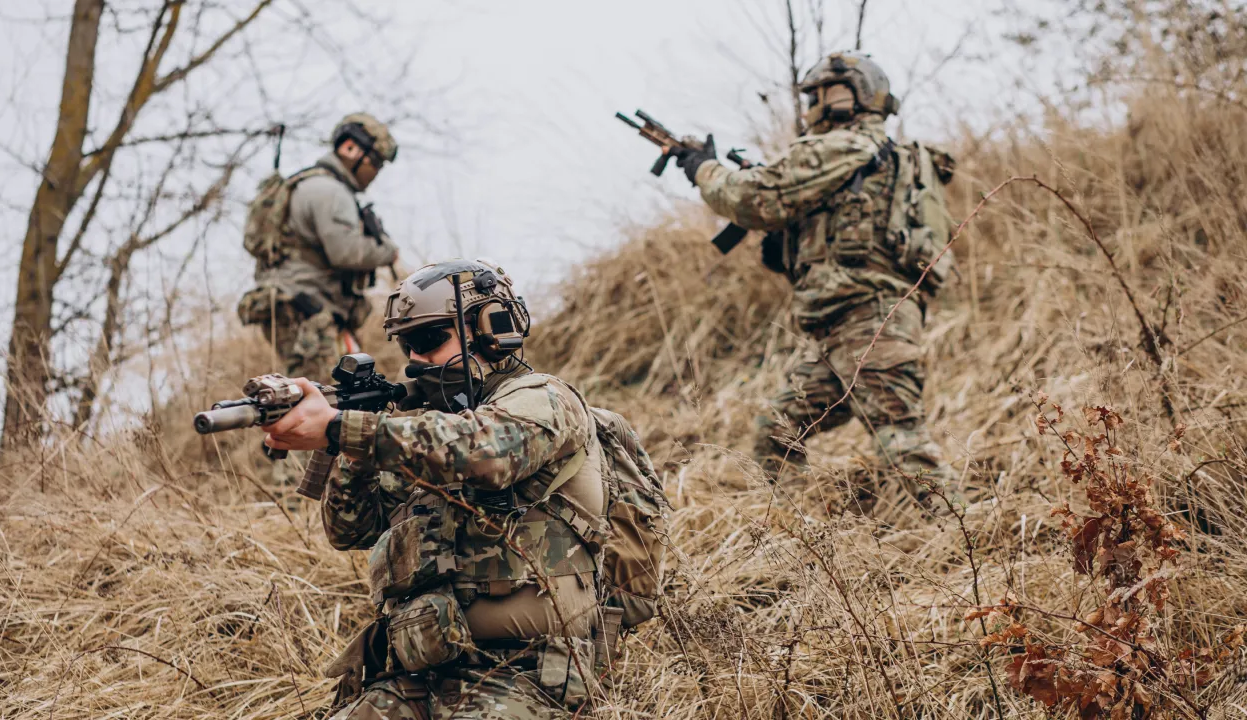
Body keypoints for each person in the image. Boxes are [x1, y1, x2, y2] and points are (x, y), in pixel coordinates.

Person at [262, 259, 610, 719]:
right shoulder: (419, 433)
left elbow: (487, 451)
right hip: (421, 671)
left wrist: (345, 429)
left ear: (491, 328)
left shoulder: (544, 398)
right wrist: (351, 449)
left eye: (428, 340)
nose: (415, 361)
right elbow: (350, 529)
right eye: (408, 345)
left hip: (528, 673)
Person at [672, 52, 958, 486]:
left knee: (904, 445)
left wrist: (704, 169)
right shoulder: (870, 157)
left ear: (849, 97)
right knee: (777, 433)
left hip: (871, 324)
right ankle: (802, 538)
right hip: (839, 330)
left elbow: (755, 198)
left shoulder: (849, 145)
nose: (811, 108)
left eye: (818, 96)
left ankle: (965, 538)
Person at [238, 112, 401, 383]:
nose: (375, 172)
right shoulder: (331, 191)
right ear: (350, 149)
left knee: (323, 391)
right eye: (374, 162)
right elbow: (346, 251)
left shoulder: (308, 184)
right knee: (325, 397)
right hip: (309, 310)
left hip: (294, 304)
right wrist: (387, 251)